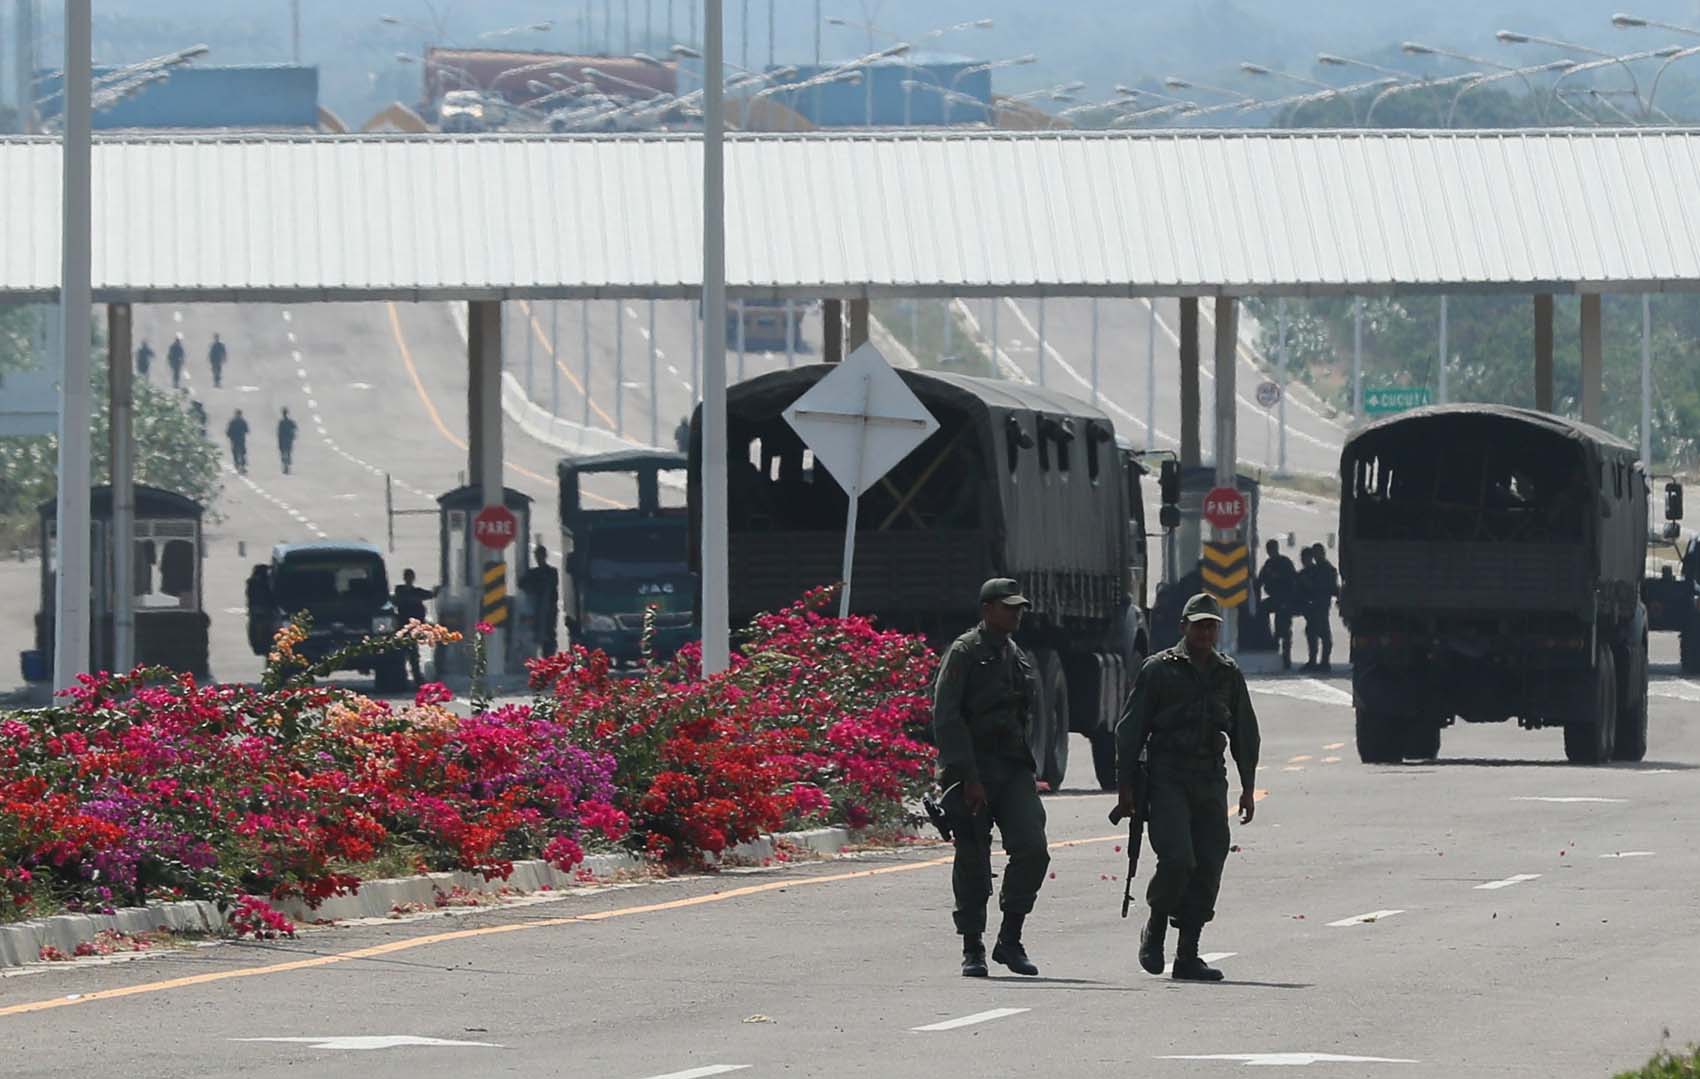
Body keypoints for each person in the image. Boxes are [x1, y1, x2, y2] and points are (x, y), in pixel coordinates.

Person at [1115, 592, 1260, 982]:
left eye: (1212, 625)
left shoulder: (1226, 673)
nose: (1206, 631)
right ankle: (1157, 925)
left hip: (1210, 779)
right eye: (1199, 624)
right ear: (1184, 627)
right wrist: (1125, 785)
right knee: (1178, 858)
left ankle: (1188, 953)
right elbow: (1130, 730)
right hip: (1167, 777)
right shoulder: (1158, 670)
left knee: (1210, 860)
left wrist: (1248, 785)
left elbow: (1244, 731)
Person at [931, 578, 1048, 978]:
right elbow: (946, 716)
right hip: (972, 770)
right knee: (973, 859)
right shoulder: (965, 652)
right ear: (986, 609)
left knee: (1033, 848)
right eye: (1007, 606)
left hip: (1012, 768)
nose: (1015, 613)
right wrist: (966, 775)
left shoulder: (1017, 656)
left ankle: (1009, 939)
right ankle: (972, 946)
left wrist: (1031, 770)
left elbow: (1025, 717)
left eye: (1019, 607)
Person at [1256, 538, 1298, 670]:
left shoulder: (1285, 563)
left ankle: (1286, 658)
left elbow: (1293, 582)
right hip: (1274, 598)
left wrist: (1289, 601)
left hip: (1285, 599)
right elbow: (1260, 581)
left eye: (1272, 549)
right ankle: (1268, 640)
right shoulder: (1268, 564)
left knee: (1284, 630)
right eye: (1269, 550)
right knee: (1261, 610)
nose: (1271, 552)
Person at [393, 568, 440, 685]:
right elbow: (401, 600)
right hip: (404, 627)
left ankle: (416, 679)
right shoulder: (401, 591)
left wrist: (437, 590)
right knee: (404, 654)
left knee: (412, 654)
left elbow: (430, 595)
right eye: (408, 577)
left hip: (412, 629)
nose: (409, 579)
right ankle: (407, 678)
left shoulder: (415, 591)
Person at [1299, 543, 1340, 672]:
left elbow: (1328, 588)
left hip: (1320, 605)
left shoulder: (1327, 570)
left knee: (1322, 634)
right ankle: (1316, 661)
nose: (1315, 557)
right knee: (1313, 633)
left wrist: (1310, 585)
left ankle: (1323, 662)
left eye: (1317, 553)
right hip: (1314, 605)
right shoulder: (1317, 569)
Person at [518, 544, 560, 657]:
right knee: (538, 633)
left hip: (549, 608)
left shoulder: (550, 572)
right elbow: (522, 584)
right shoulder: (534, 573)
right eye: (538, 556)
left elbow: (551, 587)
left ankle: (548, 657)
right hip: (537, 607)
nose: (539, 558)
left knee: (549, 634)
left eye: (540, 556)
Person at [225, 409, 250, 474]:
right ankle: (242, 465)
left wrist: (229, 435)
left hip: (234, 439)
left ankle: (237, 464)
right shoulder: (243, 421)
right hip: (241, 439)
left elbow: (228, 431)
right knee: (242, 452)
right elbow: (247, 430)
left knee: (235, 452)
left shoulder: (233, 421)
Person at [277, 407, 299, 474]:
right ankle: (287, 465)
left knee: (283, 452)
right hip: (289, 440)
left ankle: (285, 465)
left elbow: (279, 432)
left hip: (283, 439)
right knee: (288, 452)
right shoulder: (290, 421)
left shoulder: (281, 422)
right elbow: (295, 428)